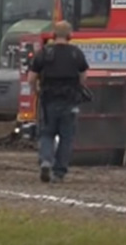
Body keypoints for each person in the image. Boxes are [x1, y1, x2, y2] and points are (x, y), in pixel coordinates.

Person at [28, 20, 90, 183]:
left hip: (48, 100)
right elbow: (83, 78)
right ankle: (59, 172)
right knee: (66, 137)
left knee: (47, 133)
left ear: (53, 35)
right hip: (70, 101)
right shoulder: (76, 53)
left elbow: (31, 77)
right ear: (70, 36)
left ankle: (46, 161)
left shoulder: (44, 53)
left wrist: (36, 91)